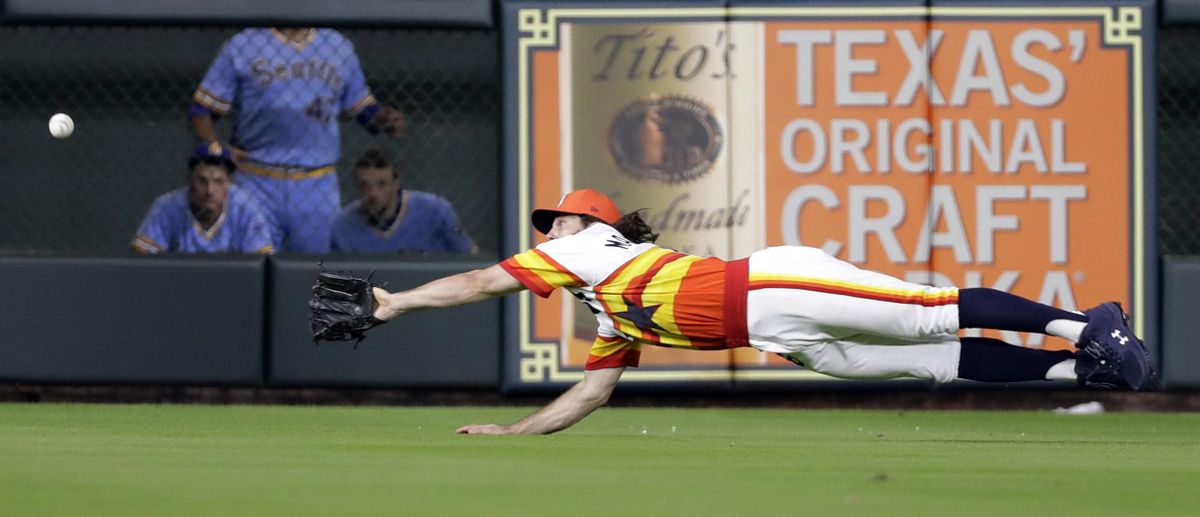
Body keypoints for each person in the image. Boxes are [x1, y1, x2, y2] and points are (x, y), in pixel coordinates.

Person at [364, 189, 1156, 435]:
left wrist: (396, 301)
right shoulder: (608, 306)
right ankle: (1075, 367)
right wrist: (512, 431)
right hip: (779, 333)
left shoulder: (584, 251)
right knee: (931, 359)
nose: (548, 232)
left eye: (556, 220)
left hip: (774, 286)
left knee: (927, 312)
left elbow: (475, 285)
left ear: (586, 224)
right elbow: (591, 392)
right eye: (547, 227)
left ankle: (1088, 326)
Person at [190, 27, 406, 253]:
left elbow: (363, 109)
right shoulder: (245, 43)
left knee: (314, 272)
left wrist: (385, 119)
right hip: (256, 178)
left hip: (316, 182)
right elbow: (201, 109)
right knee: (251, 269)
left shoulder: (337, 45)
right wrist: (217, 150)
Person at [132, 142, 275, 254]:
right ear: (189, 180)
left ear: (229, 183)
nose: (210, 190)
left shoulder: (245, 208)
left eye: (218, 181)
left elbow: (261, 263)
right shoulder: (167, 207)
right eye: (202, 181)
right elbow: (145, 262)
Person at [330, 149, 476, 254]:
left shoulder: (436, 210)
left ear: (395, 184)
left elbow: (470, 254)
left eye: (382, 184)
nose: (373, 193)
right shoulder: (343, 223)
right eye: (365, 185)